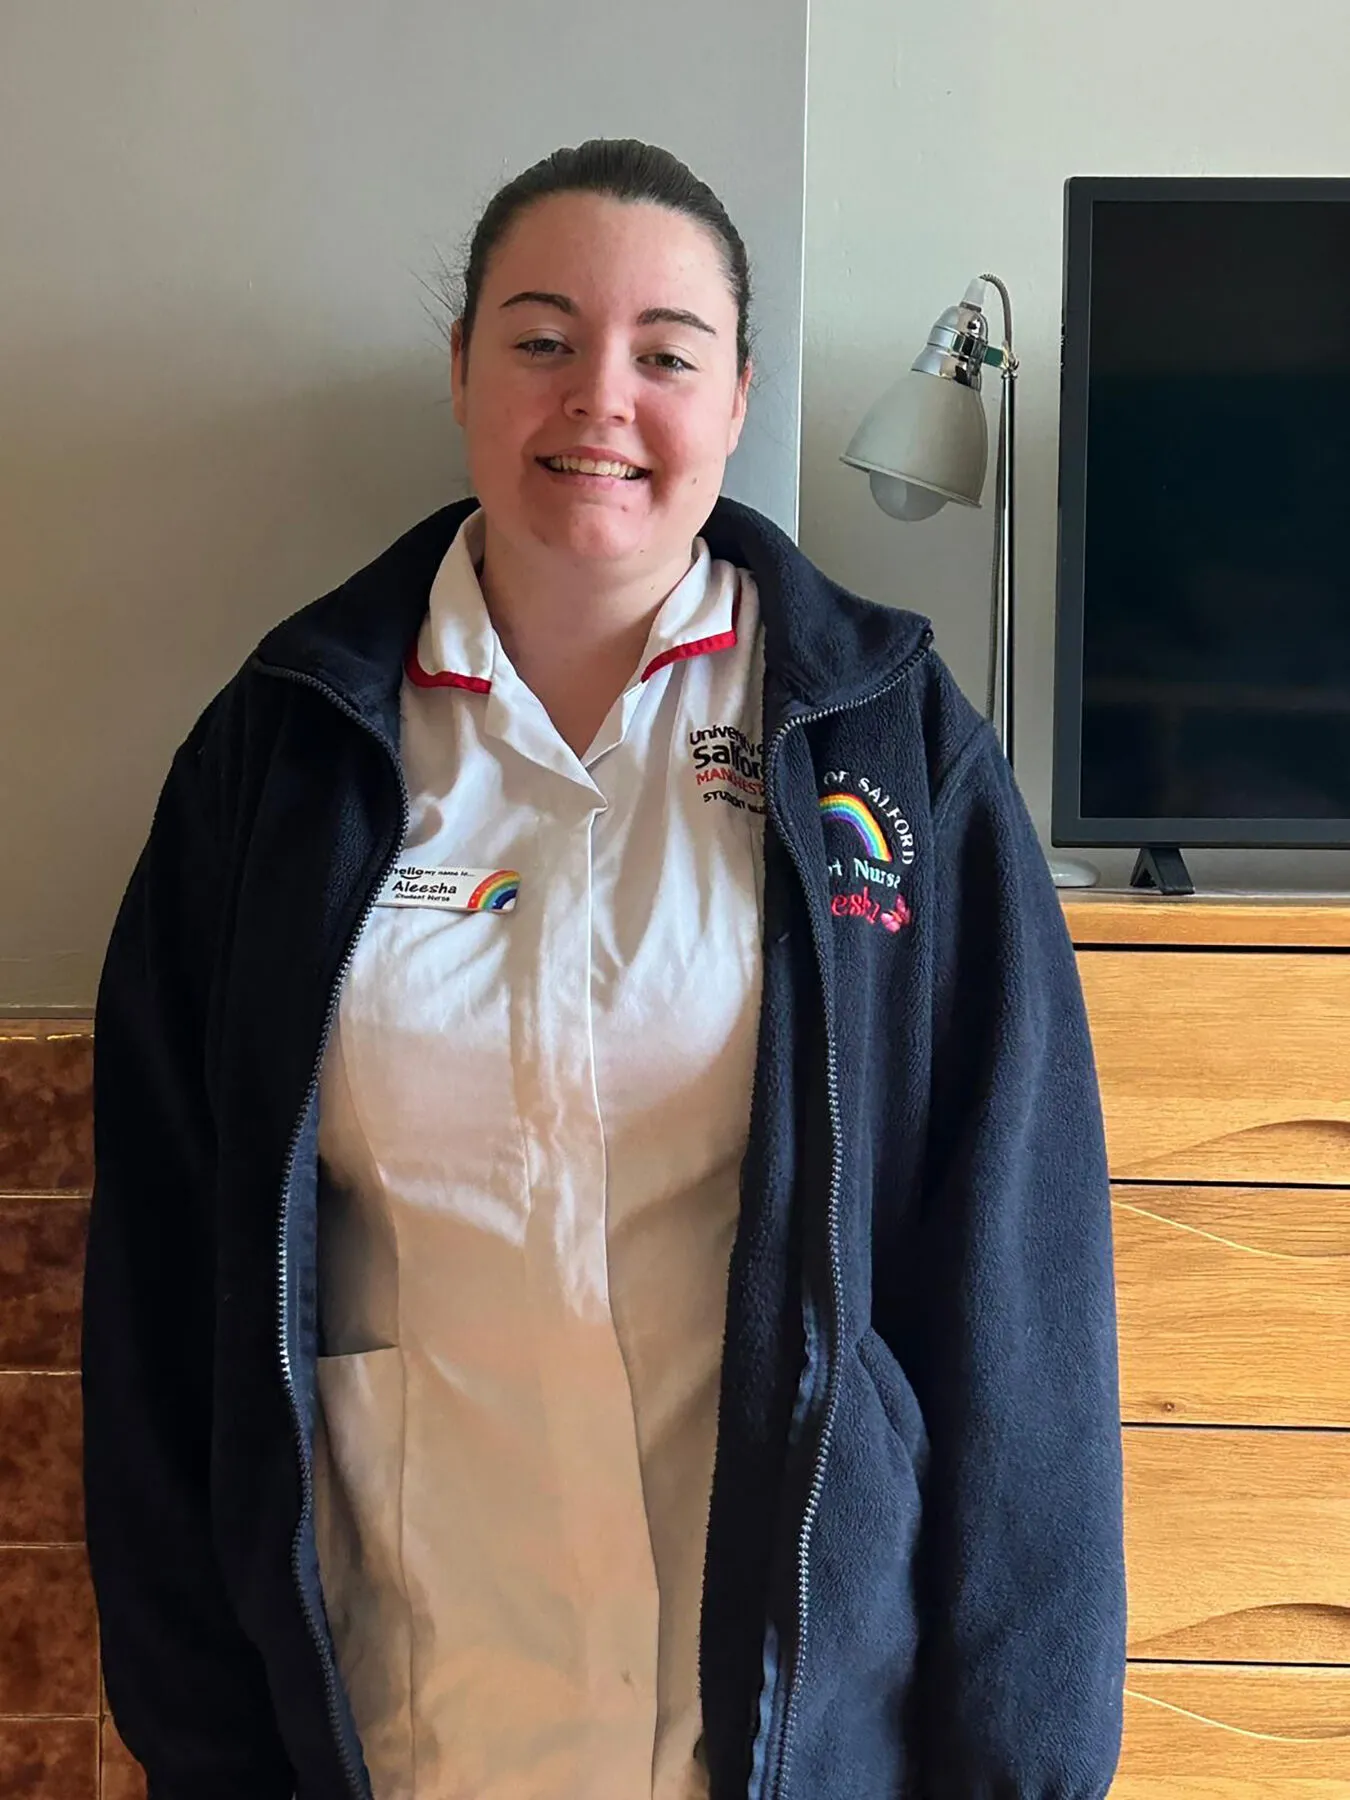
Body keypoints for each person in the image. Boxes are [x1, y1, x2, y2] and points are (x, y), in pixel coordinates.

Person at [83, 138, 1127, 1800]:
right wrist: (203, 1739)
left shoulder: (891, 749)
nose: (599, 401)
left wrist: (1021, 1766)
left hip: (793, 1734)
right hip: (402, 1711)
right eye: (542, 338)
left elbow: (1013, 1286)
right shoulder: (279, 758)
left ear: (735, 397)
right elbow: (154, 1299)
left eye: (663, 353)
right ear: (460, 372)